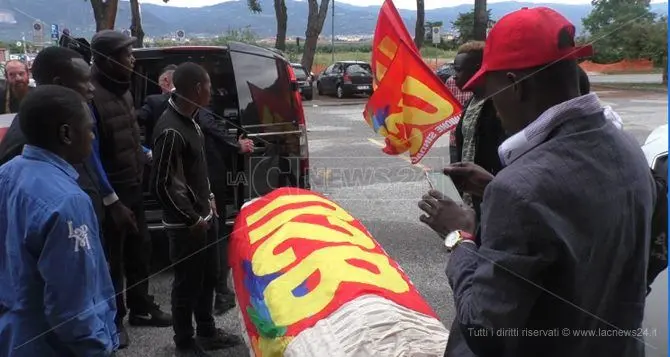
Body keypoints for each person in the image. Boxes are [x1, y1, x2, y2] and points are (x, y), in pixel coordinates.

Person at [420, 7, 655, 357]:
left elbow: (485, 331)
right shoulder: (629, 149)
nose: (493, 105)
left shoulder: (519, 190)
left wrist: (461, 239)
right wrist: (493, 188)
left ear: (517, 85)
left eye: (491, 91)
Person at [0, 85, 118, 357]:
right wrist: (98, 347)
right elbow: (72, 308)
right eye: (88, 129)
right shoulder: (68, 201)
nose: (91, 137)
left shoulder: (6, 173)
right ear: (66, 133)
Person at [151, 62, 242, 356]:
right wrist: (191, 218)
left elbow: (196, 173)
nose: (212, 92)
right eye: (209, 87)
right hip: (187, 226)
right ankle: (184, 342)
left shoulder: (192, 121)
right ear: (198, 89)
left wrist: (211, 197)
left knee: (208, 278)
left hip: (206, 215)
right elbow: (163, 184)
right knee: (186, 284)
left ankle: (206, 330)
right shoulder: (170, 129)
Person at [90, 29, 171, 349]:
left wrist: (149, 155)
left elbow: (130, 136)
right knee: (113, 260)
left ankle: (141, 307)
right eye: (127, 54)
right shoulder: (91, 95)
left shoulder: (122, 90)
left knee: (141, 251)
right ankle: (115, 318)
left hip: (134, 187)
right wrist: (112, 201)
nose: (133, 59)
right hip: (111, 196)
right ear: (109, 59)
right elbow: (90, 155)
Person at [195, 108, 254, 315]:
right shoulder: (194, 110)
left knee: (214, 235)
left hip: (204, 179)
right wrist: (236, 144)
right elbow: (211, 126)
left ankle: (219, 291)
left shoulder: (176, 108)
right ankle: (220, 291)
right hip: (206, 180)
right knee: (216, 235)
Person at [137, 64, 177, 149]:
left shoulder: (153, 101)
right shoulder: (194, 100)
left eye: (160, 85)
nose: (161, 91)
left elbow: (137, 119)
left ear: (166, 80)